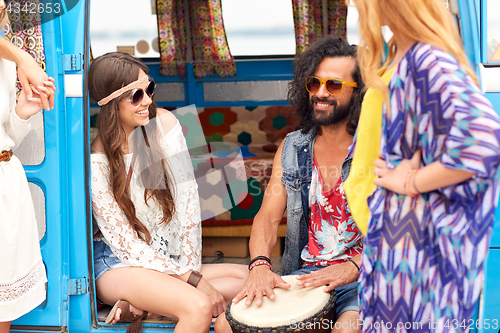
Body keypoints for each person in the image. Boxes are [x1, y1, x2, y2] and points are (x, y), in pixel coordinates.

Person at [344, 0, 500, 331]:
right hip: (400, 257)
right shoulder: (403, 53)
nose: (348, 2)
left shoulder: (424, 60)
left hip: (418, 263)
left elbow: (483, 141)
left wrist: (410, 182)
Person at [88, 52, 248, 333]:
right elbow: (124, 243)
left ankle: (144, 306)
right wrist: (193, 282)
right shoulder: (98, 154)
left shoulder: (164, 124)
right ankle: (156, 299)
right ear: (112, 104)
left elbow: (189, 204)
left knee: (247, 279)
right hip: (118, 263)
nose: (148, 100)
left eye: (148, 88)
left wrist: (191, 271)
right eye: (136, 96)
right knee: (198, 305)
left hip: (162, 256)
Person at [215, 36, 366, 333]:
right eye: (314, 83)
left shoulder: (376, 147)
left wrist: (355, 266)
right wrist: (259, 264)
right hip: (307, 275)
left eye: (334, 85)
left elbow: (400, 229)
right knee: (224, 325)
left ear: (359, 93)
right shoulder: (293, 147)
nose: (321, 93)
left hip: (362, 276)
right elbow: (268, 216)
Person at [0, 0, 56, 331]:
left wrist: (23, 111)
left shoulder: (8, 63)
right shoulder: (15, 59)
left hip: (5, 179)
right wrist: (25, 57)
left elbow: (7, 135)